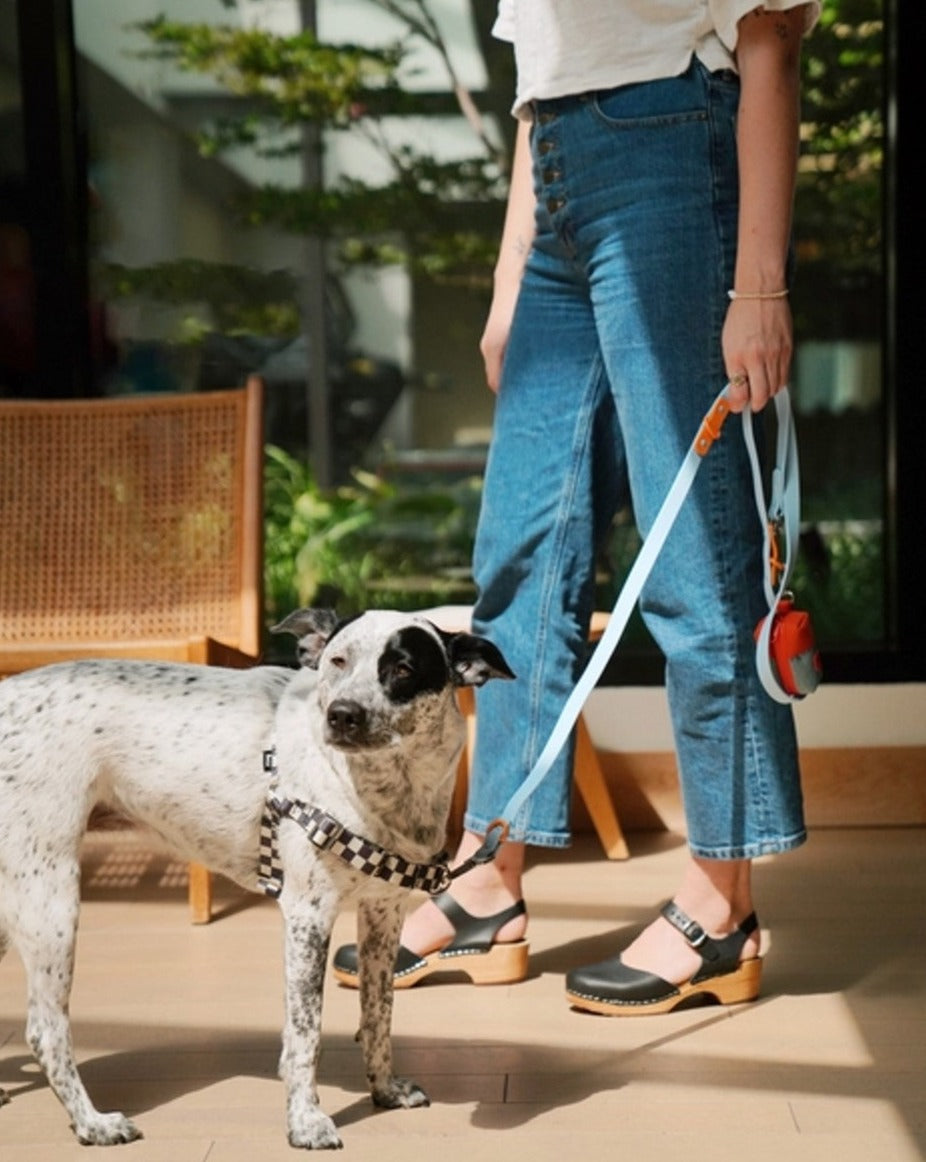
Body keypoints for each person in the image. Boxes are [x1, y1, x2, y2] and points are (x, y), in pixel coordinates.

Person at [334, 0, 819, 1013]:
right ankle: (484, 880)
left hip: (670, 161)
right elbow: (537, 78)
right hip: (555, 178)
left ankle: (721, 902)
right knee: (520, 554)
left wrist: (759, 286)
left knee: (695, 557)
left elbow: (767, 37)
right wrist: (513, 272)